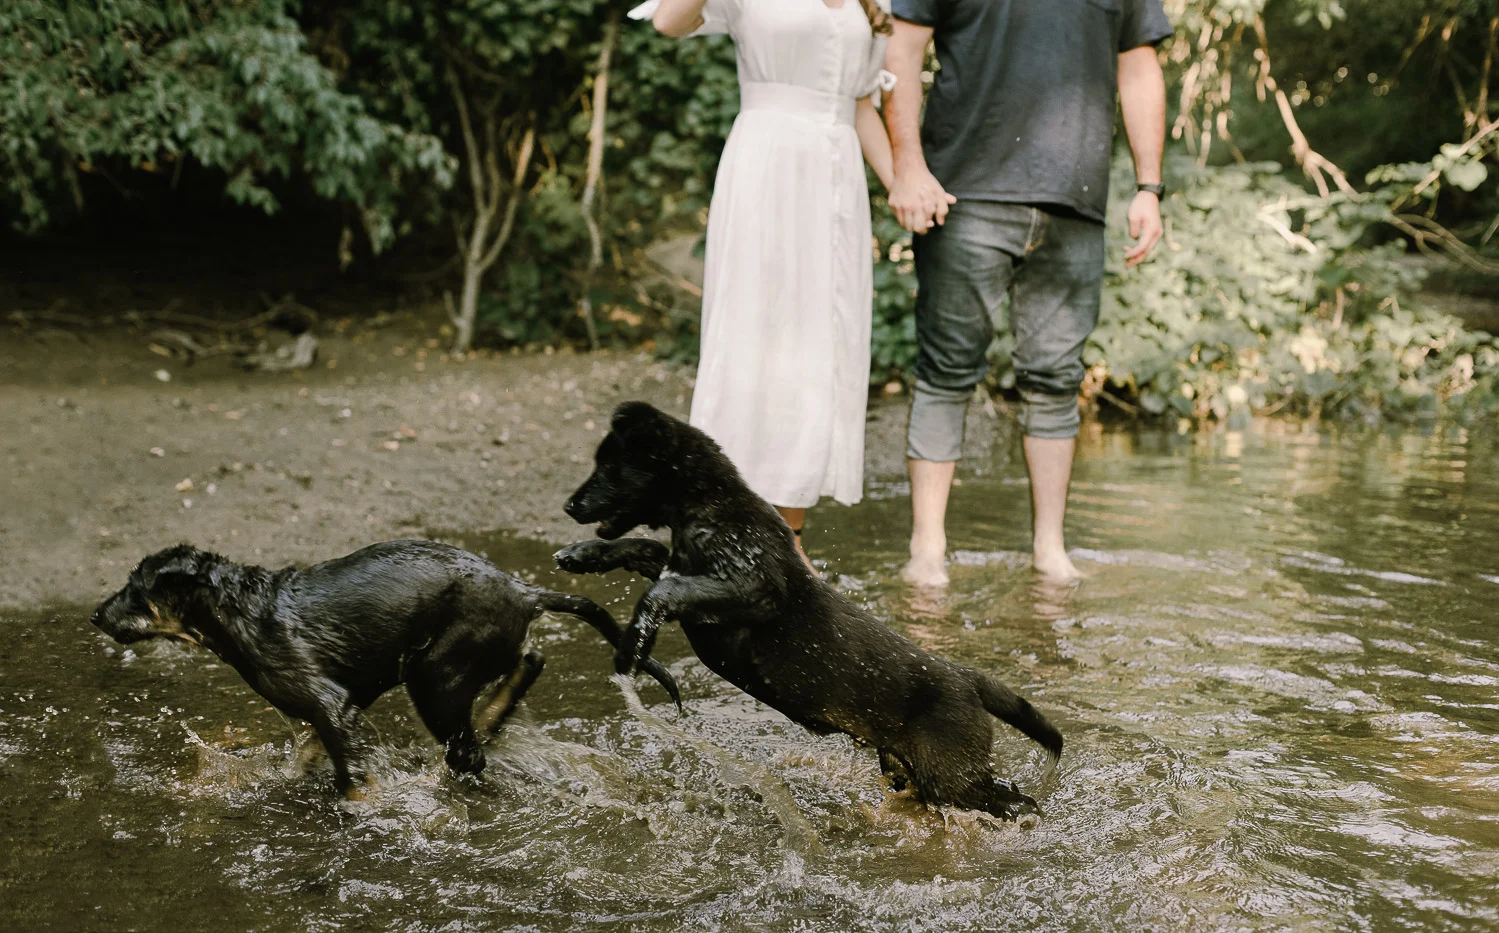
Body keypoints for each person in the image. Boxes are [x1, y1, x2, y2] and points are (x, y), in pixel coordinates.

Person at [882, 0, 1172, 586]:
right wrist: (907, 165)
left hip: (1076, 203)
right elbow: (903, 49)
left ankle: (1049, 551)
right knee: (946, 372)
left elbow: (1138, 65)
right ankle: (927, 550)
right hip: (965, 192)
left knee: (1056, 379)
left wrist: (1149, 185)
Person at [634, 0, 897, 570]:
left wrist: (902, 184)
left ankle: (787, 534)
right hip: (769, 166)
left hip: (836, 180)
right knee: (754, 333)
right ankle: (720, 519)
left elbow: (862, 105)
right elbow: (667, 22)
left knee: (818, 345)